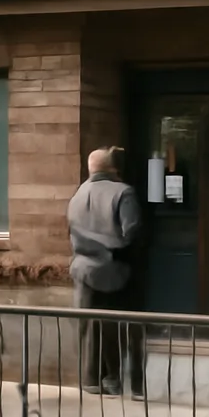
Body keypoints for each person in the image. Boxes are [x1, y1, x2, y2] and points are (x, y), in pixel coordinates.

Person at [68, 147, 145, 398]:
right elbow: (132, 232)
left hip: (82, 269)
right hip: (115, 269)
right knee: (118, 327)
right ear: (113, 168)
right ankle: (120, 380)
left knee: (90, 327)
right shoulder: (123, 192)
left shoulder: (77, 195)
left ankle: (92, 379)